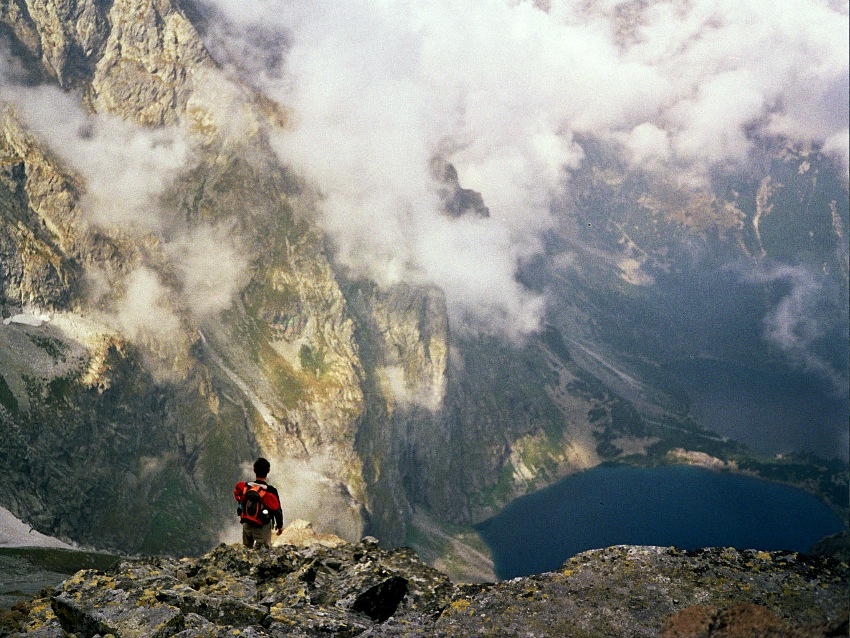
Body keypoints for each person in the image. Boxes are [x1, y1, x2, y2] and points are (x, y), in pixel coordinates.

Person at [233, 457, 284, 549]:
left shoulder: (247, 486)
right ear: (268, 471)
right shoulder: (270, 491)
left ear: (254, 470)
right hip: (261, 527)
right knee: (265, 549)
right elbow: (277, 510)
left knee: (246, 548)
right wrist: (279, 526)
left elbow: (240, 500)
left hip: (247, 524)